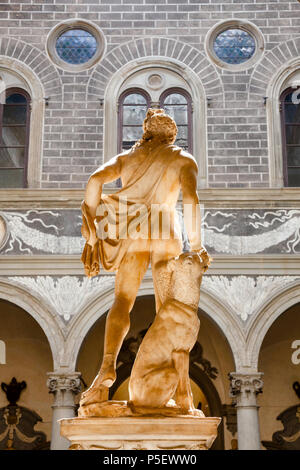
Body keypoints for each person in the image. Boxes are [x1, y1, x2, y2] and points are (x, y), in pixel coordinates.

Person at [80, 108, 209, 406]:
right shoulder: (183, 159)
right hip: (165, 227)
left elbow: (95, 180)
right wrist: (197, 245)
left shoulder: (129, 157)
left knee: (123, 301)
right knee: (168, 308)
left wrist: (93, 235)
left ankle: (107, 368)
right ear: (172, 134)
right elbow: (191, 200)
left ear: (147, 133)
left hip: (132, 228)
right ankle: (179, 391)